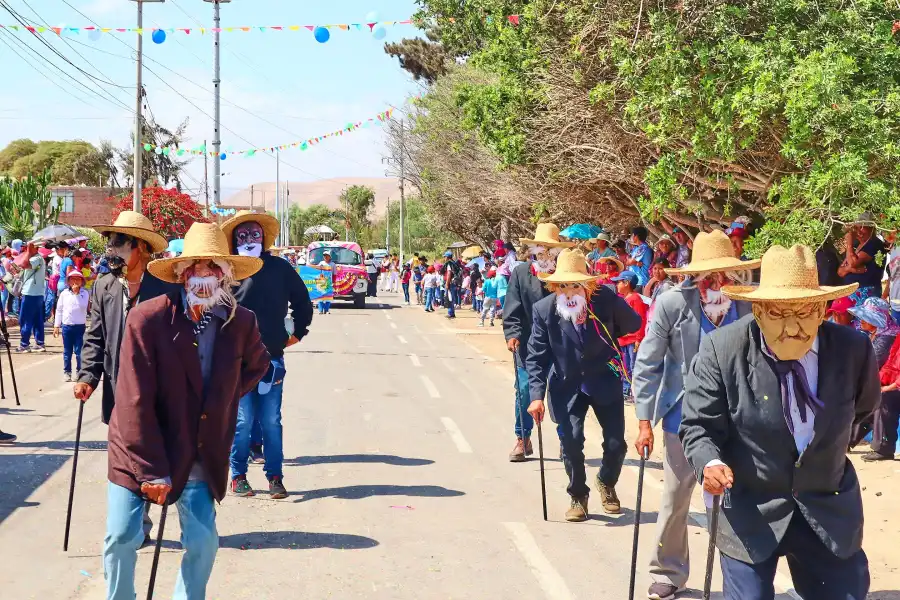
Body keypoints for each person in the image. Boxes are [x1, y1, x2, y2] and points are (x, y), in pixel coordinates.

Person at [680, 244, 876, 600]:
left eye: (803, 312)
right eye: (777, 313)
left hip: (826, 507)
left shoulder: (854, 349)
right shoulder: (722, 350)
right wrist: (710, 462)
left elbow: (862, 410)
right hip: (751, 508)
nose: (791, 328)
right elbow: (699, 425)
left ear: (822, 309)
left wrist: (824, 454)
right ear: (757, 311)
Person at [103, 222, 270, 600]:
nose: (203, 273)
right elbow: (132, 400)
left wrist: (220, 402)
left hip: (196, 448)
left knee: (202, 542)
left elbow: (257, 365)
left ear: (227, 274)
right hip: (137, 448)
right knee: (121, 537)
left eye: (212, 266)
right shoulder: (148, 319)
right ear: (180, 272)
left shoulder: (240, 321)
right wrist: (150, 471)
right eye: (194, 266)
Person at [631, 230, 760, 600]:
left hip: (737, 419)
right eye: (707, 276)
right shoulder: (672, 304)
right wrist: (644, 420)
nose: (715, 282)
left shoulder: (747, 305)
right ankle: (667, 572)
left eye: (722, 275)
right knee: (676, 497)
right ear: (694, 277)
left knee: (740, 498)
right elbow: (648, 363)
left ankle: (744, 576)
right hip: (682, 418)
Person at [526, 249, 641, 521]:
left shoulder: (604, 300)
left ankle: (606, 482)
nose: (568, 291)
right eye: (562, 285)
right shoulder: (544, 311)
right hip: (566, 385)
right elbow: (536, 357)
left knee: (616, 444)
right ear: (554, 286)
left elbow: (633, 323)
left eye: (575, 284)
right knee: (571, 443)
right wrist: (536, 396)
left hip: (604, 380)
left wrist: (609, 313)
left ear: (587, 284)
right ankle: (578, 494)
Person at [221, 210, 313, 499]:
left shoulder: (280, 268)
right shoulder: (228, 271)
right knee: (243, 421)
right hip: (236, 362)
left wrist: (298, 333)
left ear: (264, 238)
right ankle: (238, 476)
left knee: (271, 420)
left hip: (272, 358)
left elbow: (302, 301)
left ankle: (275, 477)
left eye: (254, 234)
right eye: (242, 235)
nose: (249, 239)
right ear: (234, 240)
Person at [76, 211, 174, 422]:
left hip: (155, 390)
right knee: (119, 452)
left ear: (141, 247)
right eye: (109, 243)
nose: (111, 249)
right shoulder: (103, 286)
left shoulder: (166, 290)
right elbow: (95, 338)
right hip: (117, 388)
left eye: (119, 243)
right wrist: (87, 377)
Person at [504, 223, 575, 461]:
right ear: (532, 251)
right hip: (527, 346)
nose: (544, 255)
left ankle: (567, 439)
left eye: (550, 250)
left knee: (562, 393)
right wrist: (512, 333)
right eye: (540, 250)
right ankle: (522, 438)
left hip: (561, 346)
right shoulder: (521, 273)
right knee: (525, 390)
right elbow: (512, 307)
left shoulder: (567, 275)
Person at [611, 271, 647, 401]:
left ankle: (634, 392)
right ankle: (626, 391)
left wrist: (638, 339)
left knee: (633, 366)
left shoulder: (635, 298)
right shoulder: (623, 299)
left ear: (626, 283)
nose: (617, 285)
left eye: (619, 282)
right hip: (623, 340)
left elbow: (641, 319)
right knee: (625, 366)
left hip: (632, 340)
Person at [840, 211, 886, 305]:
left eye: (862, 227)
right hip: (850, 293)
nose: (858, 231)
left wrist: (849, 243)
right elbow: (840, 271)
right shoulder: (856, 245)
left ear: (872, 228)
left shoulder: (874, 244)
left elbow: (853, 263)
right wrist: (850, 269)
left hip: (866, 294)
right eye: (856, 228)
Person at [867, 333, 900, 461]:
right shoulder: (898, 337)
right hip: (892, 384)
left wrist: (888, 387)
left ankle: (884, 448)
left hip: (895, 387)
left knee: (885, 401)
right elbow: (890, 364)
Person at [54, 270, 90, 382]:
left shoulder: (84, 293)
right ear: (68, 281)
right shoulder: (64, 294)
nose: (75, 281)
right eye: (72, 279)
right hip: (67, 327)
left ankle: (80, 371)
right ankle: (67, 372)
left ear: (81, 281)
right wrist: (57, 325)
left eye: (78, 279)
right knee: (67, 351)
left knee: (79, 352)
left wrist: (77, 294)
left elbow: (83, 306)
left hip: (79, 327)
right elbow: (59, 309)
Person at [14, 242, 47, 353]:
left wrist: (29, 251)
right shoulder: (37, 258)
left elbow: (24, 264)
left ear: (34, 248)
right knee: (38, 320)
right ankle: (40, 343)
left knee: (25, 319)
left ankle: (24, 345)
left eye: (27, 247)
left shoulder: (36, 258)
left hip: (30, 293)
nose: (25, 249)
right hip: (37, 294)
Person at [441, 250, 463, 319]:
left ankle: (450, 313)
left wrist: (447, 284)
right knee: (452, 297)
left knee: (449, 298)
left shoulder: (449, 264)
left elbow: (449, 274)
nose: (444, 258)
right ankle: (452, 313)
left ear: (447, 257)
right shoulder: (454, 263)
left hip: (450, 283)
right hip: (454, 283)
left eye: (445, 257)